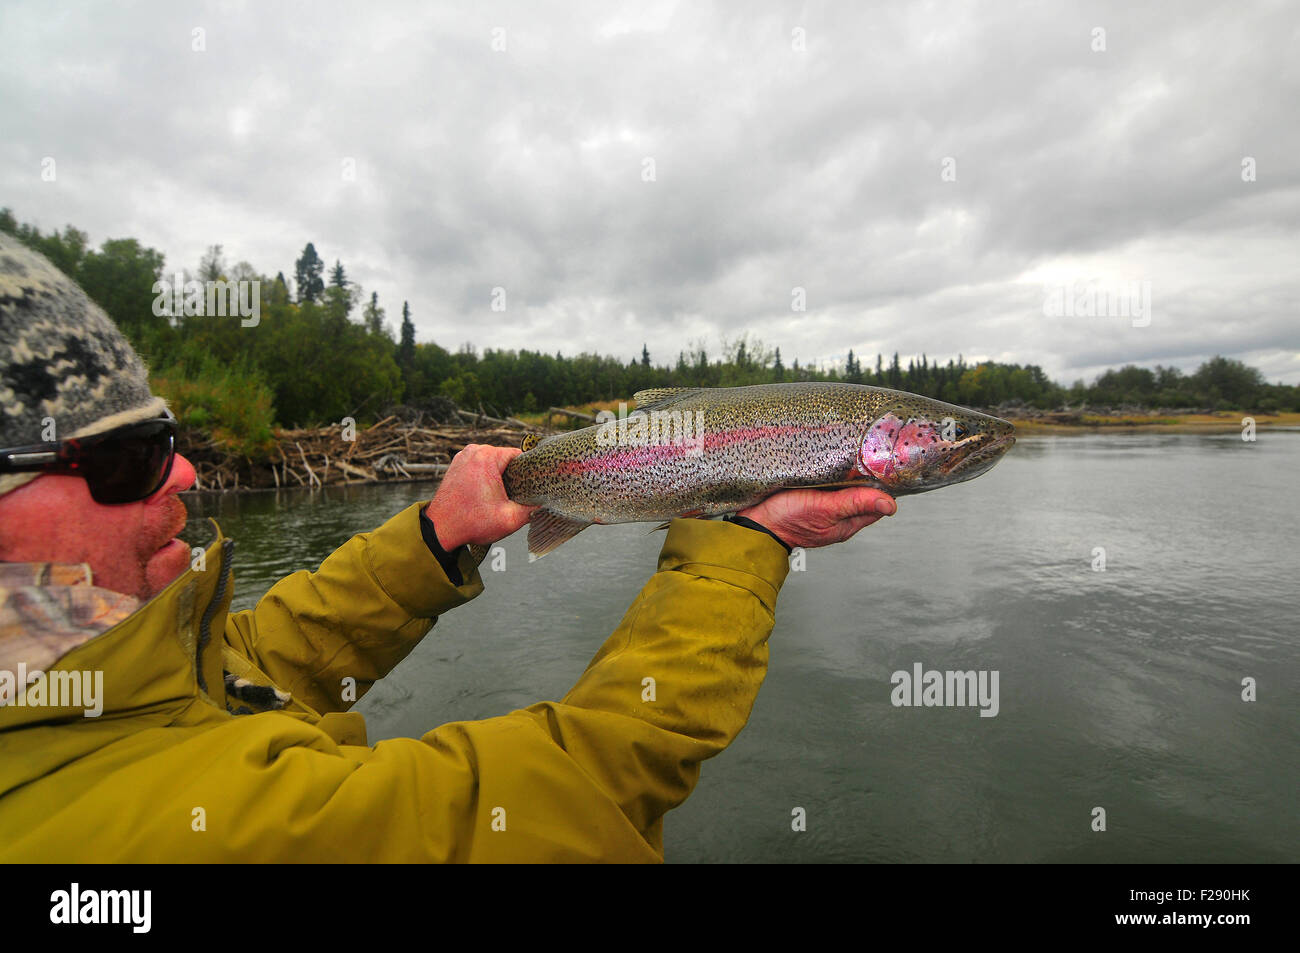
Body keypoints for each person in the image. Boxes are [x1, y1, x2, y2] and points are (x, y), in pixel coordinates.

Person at [0, 235, 895, 862]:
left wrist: (436, 536)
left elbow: (257, 661)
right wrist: (746, 538)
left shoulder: (86, 675)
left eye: (167, 435)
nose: (186, 473)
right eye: (127, 457)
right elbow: (578, 800)